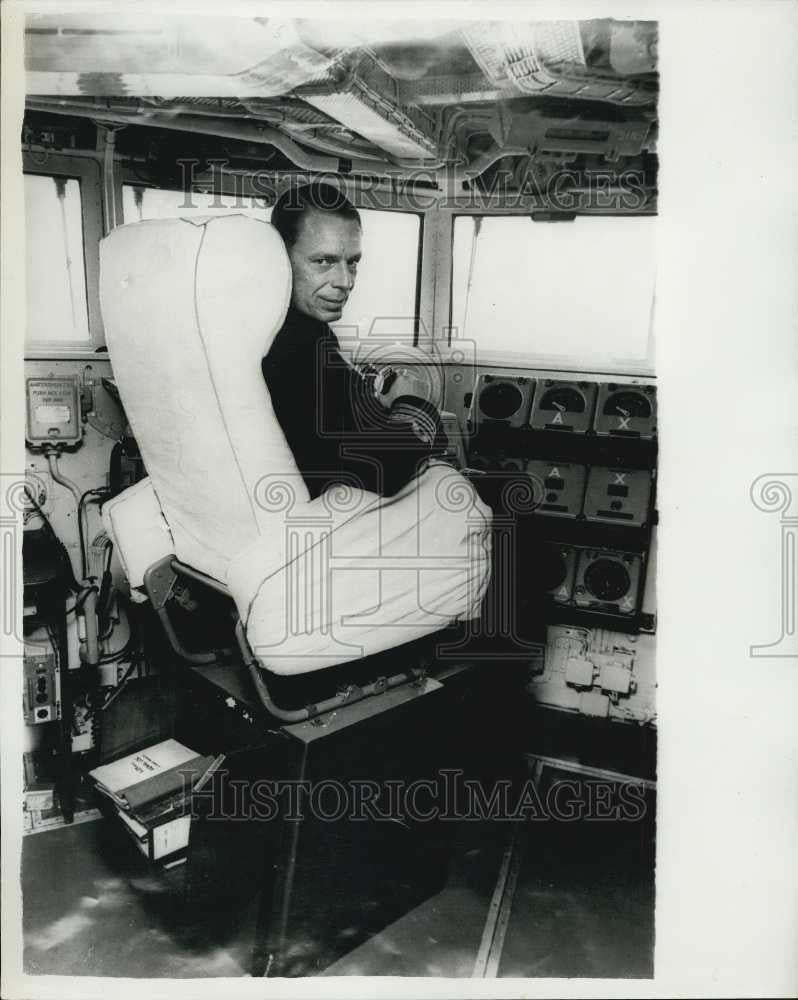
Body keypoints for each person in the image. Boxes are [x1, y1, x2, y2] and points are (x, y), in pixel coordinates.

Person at [262, 182, 446, 501]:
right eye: (323, 262)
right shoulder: (294, 347)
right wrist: (411, 403)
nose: (345, 282)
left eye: (353, 263)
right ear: (279, 257)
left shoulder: (300, 330)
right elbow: (381, 471)